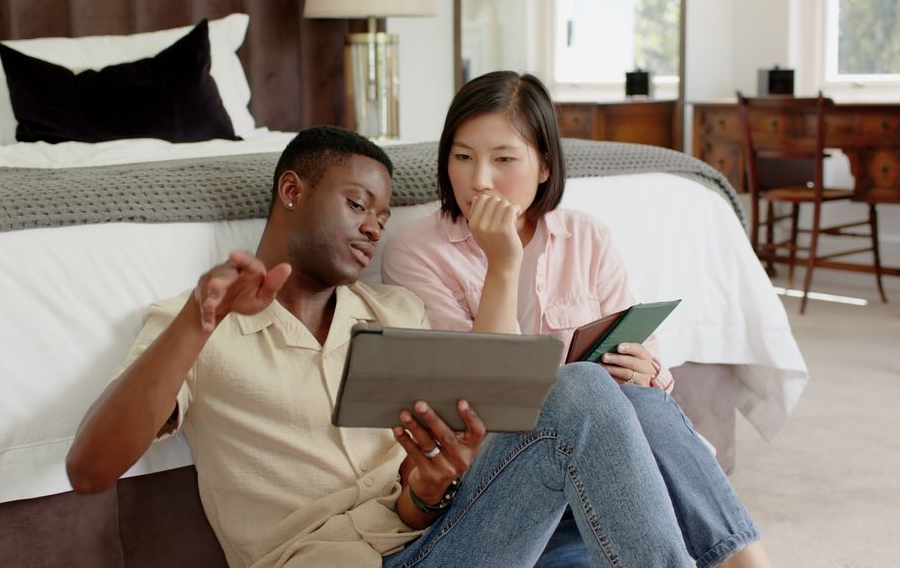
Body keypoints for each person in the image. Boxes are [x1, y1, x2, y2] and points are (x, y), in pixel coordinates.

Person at [67, 125, 717, 568]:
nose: (374, 227)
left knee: (593, 401)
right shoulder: (198, 324)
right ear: (292, 191)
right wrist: (195, 325)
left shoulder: (395, 312)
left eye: (382, 215)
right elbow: (90, 470)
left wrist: (431, 486)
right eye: (357, 205)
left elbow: (421, 495)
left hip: (443, 540)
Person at [381, 71, 772, 567]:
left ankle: (745, 560)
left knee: (641, 399)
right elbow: (483, 399)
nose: (479, 179)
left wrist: (644, 370)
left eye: (503, 159)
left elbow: (649, 367)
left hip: (596, 484)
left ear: (544, 165)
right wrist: (503, 264)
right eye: (462, 157)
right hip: (501, 492)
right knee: (583, 385)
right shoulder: (418, 251)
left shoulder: (587, 237)